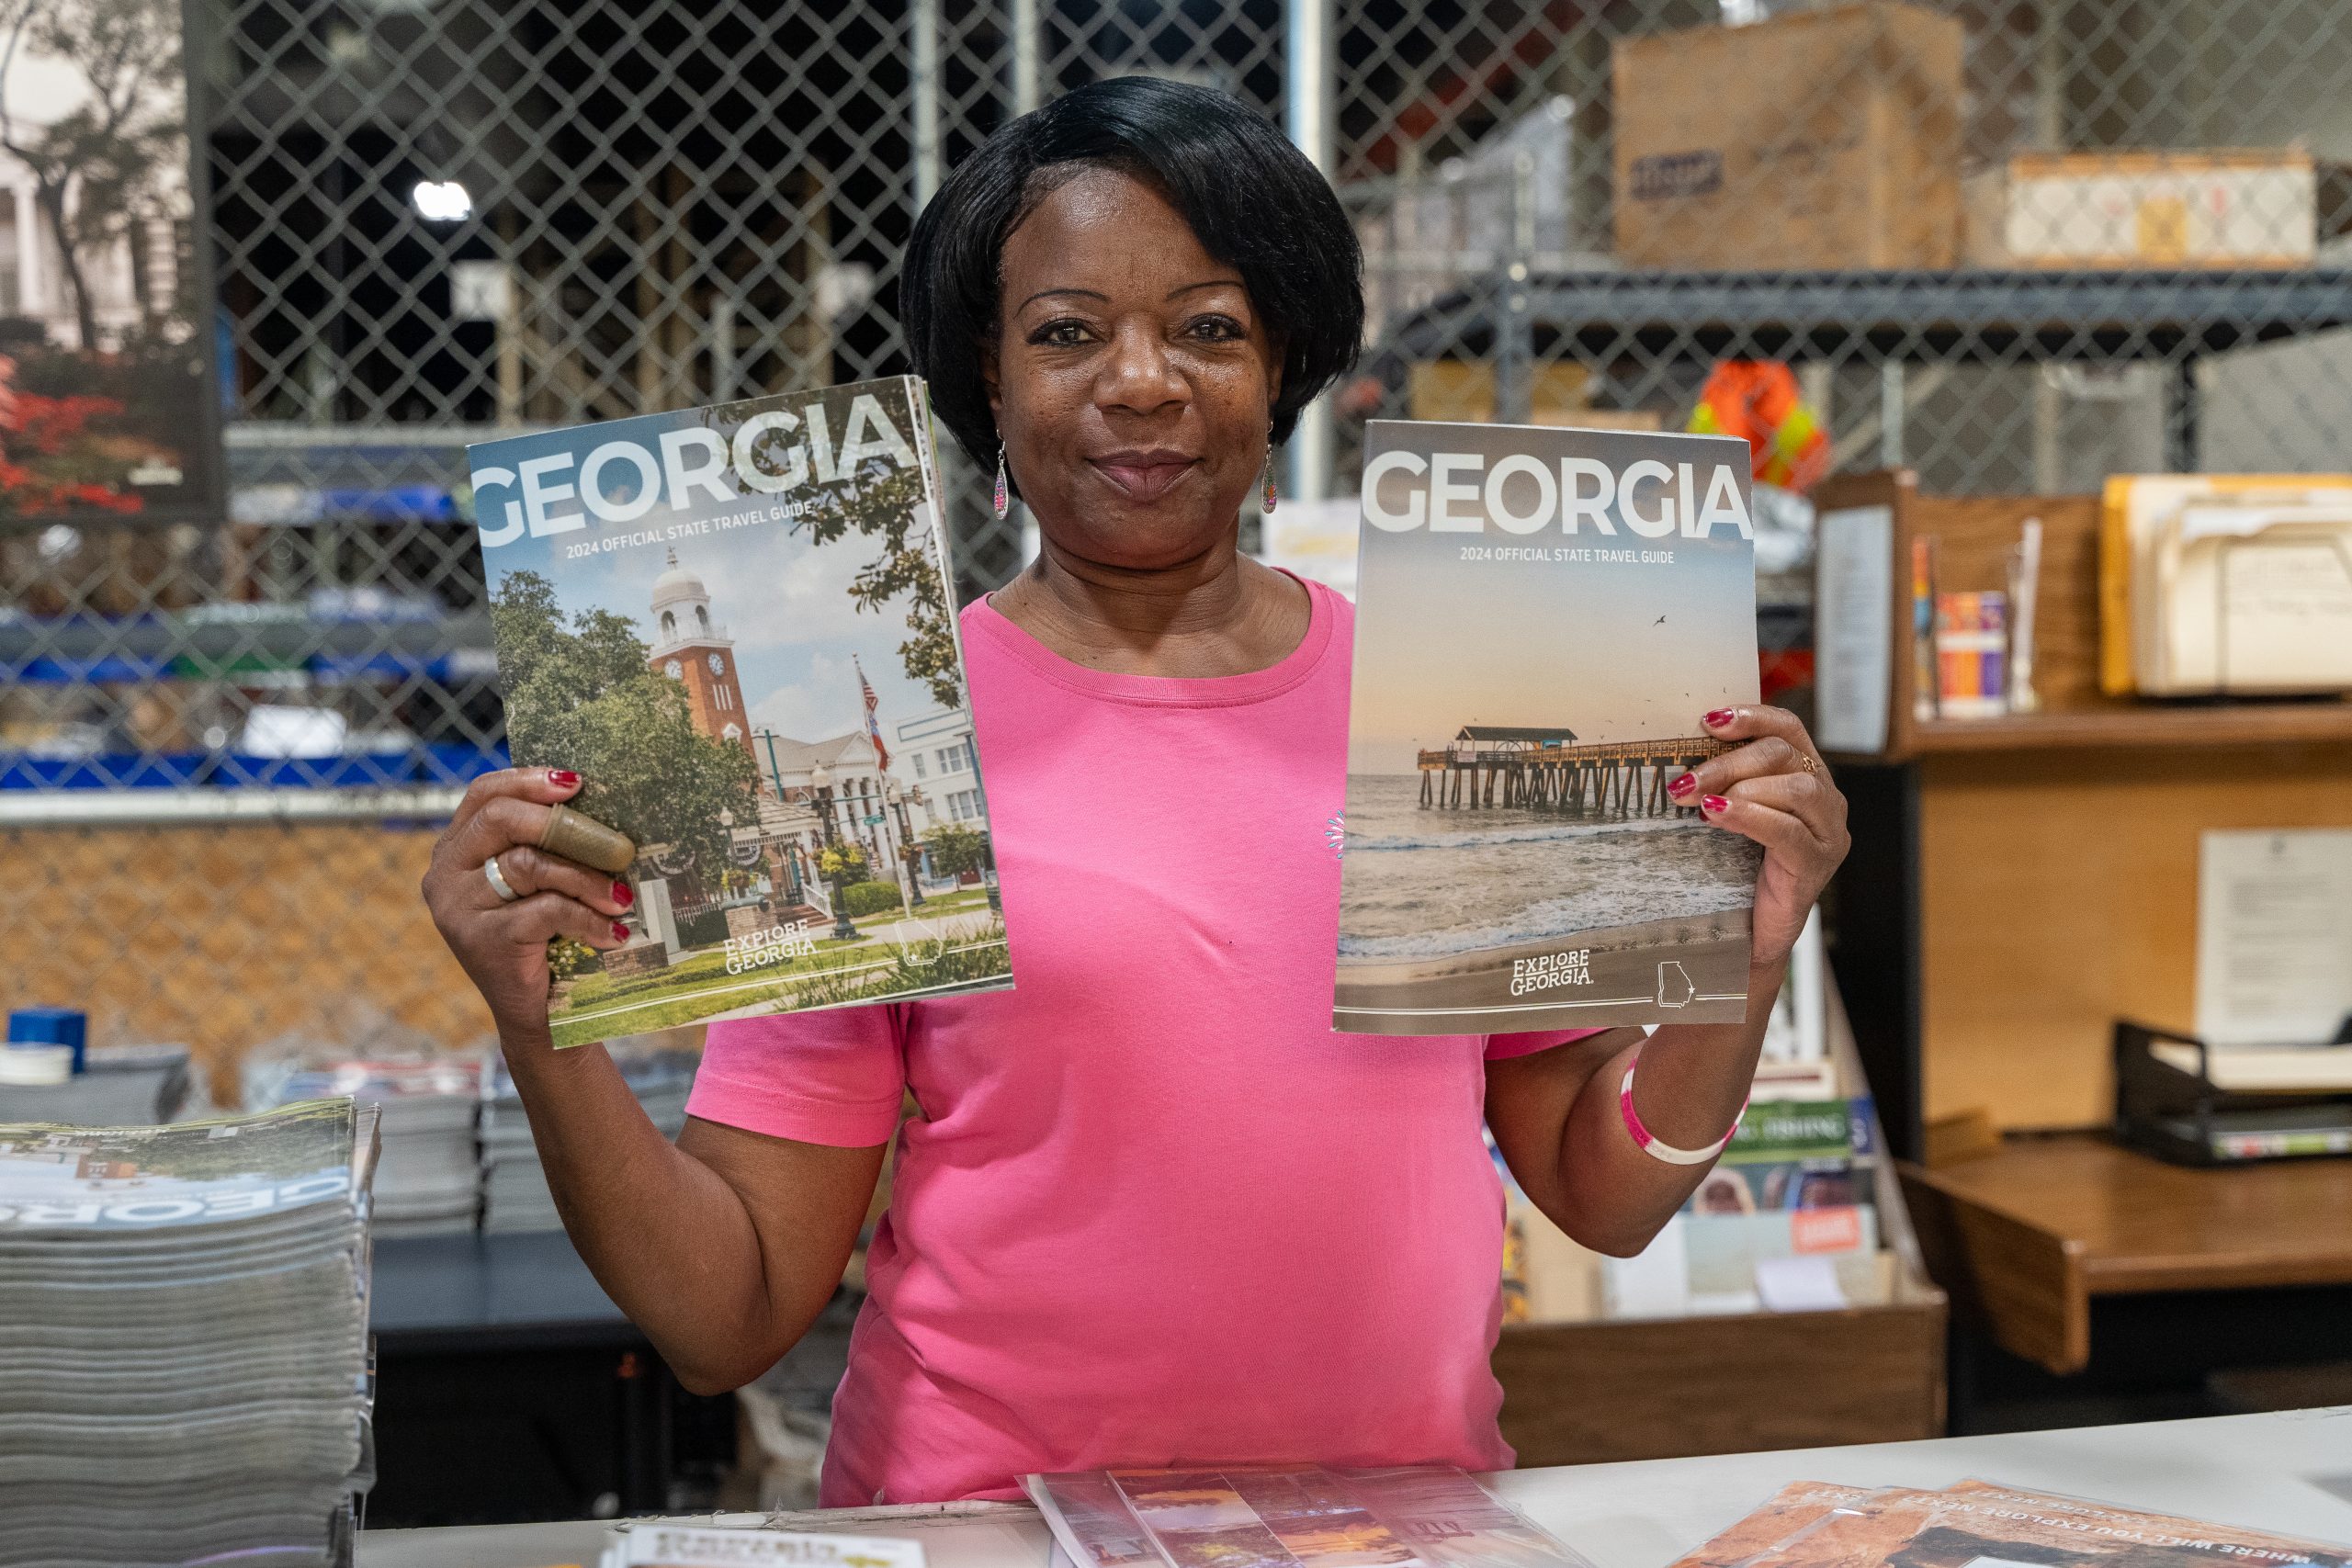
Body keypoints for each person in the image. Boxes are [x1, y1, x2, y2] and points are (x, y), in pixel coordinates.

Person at [421, 76, 1849, 1506]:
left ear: (1281, 359)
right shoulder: (915, 729)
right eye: (1066, 333)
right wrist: (548, 1040)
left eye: (1208, 326)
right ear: (988, 376)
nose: (1143, 380)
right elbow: (724, 1317)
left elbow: (1605, 1192)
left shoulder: (1463, 701)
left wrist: (1746, 947)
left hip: (1392, 1524)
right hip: (991, 1526)